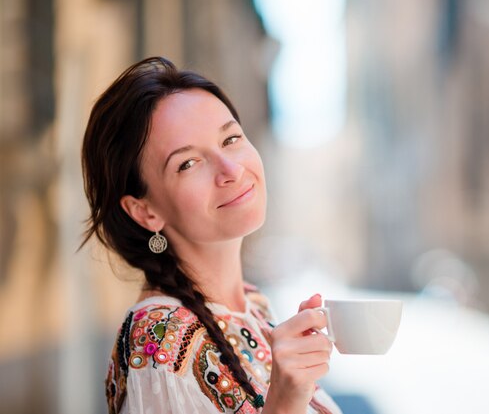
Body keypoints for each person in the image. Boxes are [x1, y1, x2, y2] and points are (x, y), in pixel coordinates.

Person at [81, 56, 341, 414]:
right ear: (145, 211)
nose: (231, 170)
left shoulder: (255, 305)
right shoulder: (158, 341)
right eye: (188, 163)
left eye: (231, 138)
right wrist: (282, 406)